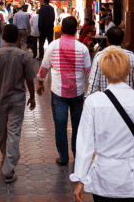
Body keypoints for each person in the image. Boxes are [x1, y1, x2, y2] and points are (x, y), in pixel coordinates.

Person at [71, 47, 134, 202]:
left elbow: (85, 145)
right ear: (128, 71)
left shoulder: (93, 102)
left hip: (104, 180)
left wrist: (80, 179)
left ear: (104, 73)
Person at [0, 24, 37, 184]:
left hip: (0, 100)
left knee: (4, 132)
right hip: (17, 101)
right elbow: (29, 80)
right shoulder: (23, 55)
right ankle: (7, 161)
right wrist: (32, 97)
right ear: (18, 38)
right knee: (12, 133)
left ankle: (8, 168)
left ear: (3, 37)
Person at [37, 16, 92, 166]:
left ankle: (63, 157)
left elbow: (44, 67)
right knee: (77, 126)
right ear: (76, 30)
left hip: (58, 93)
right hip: (78, 93)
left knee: (60, 126)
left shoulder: (53, 46)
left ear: (61, 29)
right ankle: (77, 155)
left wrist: (40, 83)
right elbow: (89, 72)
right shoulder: (83, 48)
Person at [87, 27, 134, 96]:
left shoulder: (100, 56)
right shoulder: (131, 56)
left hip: (105, 102)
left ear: (107, 40)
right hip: (127, 102)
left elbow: (93, 84)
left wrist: (88, 99)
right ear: (123, 40)